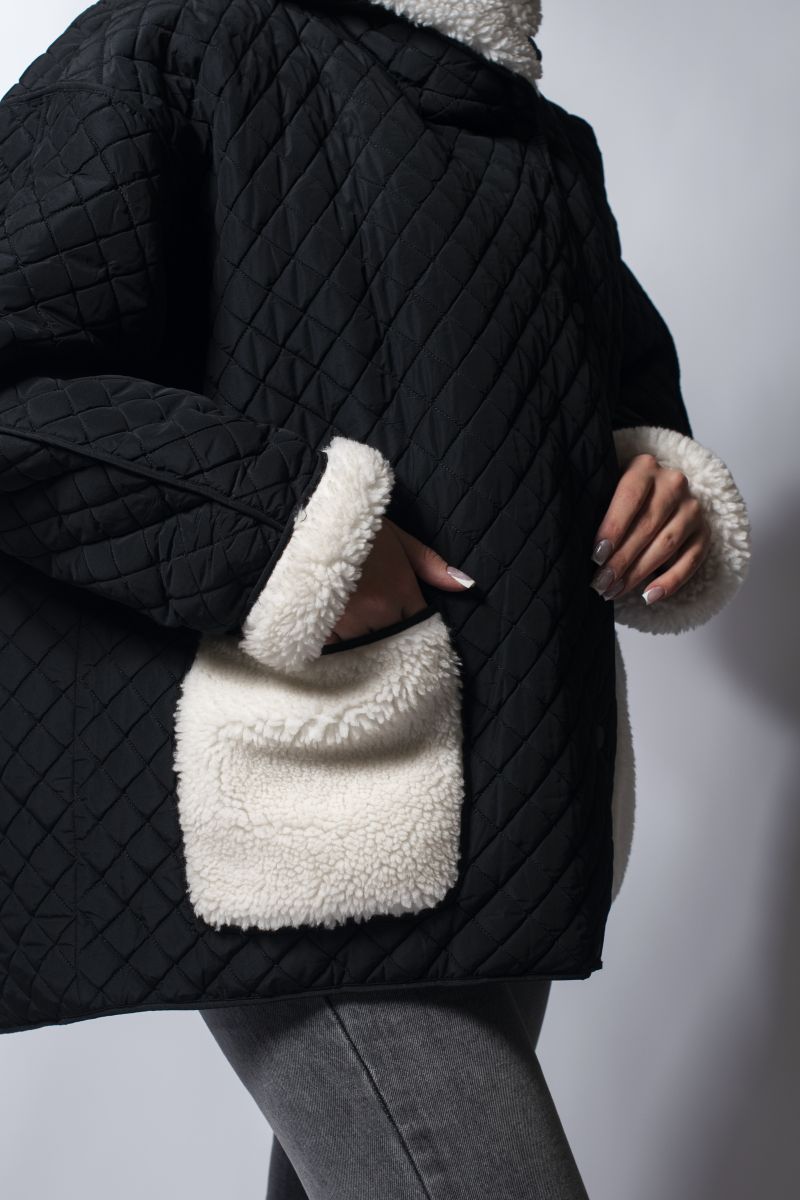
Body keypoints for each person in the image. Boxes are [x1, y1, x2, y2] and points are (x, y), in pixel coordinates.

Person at [0, 0, 751, 1196]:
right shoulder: (182, 35)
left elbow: (608, 404)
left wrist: (659, 484)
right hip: (310, 798)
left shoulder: (541, 138)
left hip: (519, 796)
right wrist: (284, 535)